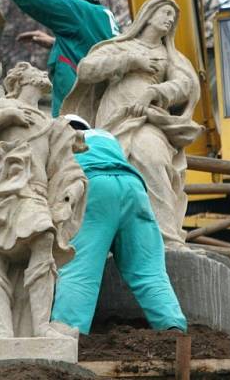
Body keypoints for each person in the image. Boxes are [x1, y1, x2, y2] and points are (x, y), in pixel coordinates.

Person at [0, 63, 87, 340]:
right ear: (20, 79)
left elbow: (67, 167)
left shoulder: (50, 123)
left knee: (44, 237)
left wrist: (68, 197)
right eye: (35, 70)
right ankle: (2, 333)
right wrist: (5, 114)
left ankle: (42, 327)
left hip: (33, 193)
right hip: (0, 193)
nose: (43, 73)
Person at [62, 0, 203, 248]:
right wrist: (129, 62)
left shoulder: (168, 55)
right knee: (109, 171)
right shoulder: (120, 46)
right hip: (114, 117)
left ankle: (165, 236)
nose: (170, 20)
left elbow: (185, 85)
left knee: (153, 157)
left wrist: (156, 92)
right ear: (148, 14)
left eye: (174, 16)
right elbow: (86, 69)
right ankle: (111, 240)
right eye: (165, 12)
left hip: (149, 119)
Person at [51, 114, 187, 334]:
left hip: (92, 187)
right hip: (134, 189)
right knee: (148, 269)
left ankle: (67, 333)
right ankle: (172, 327)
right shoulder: (106, 138)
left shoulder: (56, 138)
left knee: (78, 267)